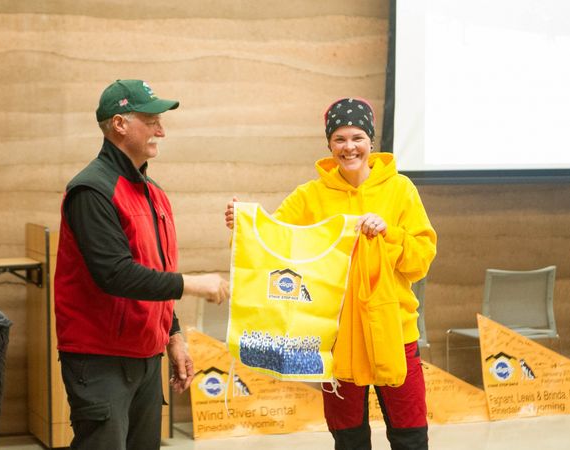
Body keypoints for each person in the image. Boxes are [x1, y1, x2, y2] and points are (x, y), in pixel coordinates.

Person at [225, 97, 437, 449]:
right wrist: (244, 222)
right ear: (329, 144)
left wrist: (389, 233)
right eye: (339, 139)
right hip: (336, 339)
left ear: (371, 141)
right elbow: (277, 240)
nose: (349, 147)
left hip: (395, 332)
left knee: (411, 435)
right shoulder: (310, 196)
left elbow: (421, 259)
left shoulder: (401, 190)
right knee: (348, 439)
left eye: (357, 137)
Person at [54, 79, 229, 450]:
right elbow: (115, 274)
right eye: (151, 121)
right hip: (100, 360)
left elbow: (155, 271)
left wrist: (173, 335)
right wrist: (194, 284)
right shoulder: (91, 191)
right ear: (119, 124)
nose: (161, 131)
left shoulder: (155, 193)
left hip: (146, 357)